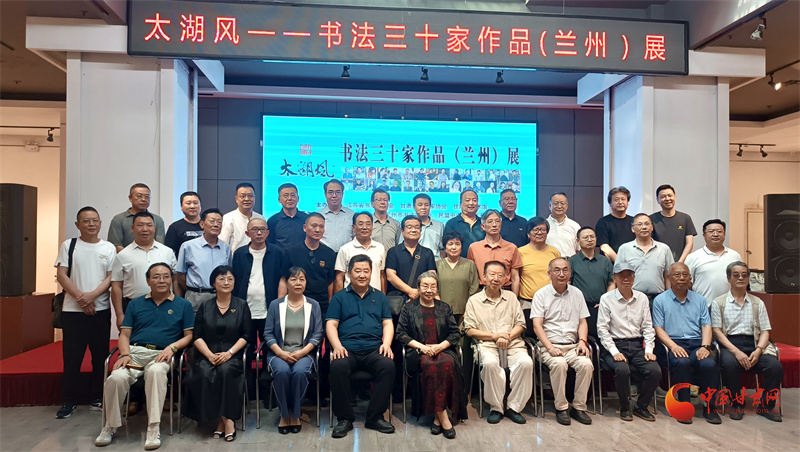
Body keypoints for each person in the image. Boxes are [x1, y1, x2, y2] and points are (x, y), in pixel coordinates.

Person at [95, 263, 193, 449]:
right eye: (156, 277)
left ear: (171, 280)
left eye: (166, 276)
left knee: (156, 372)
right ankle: (110, 426)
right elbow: (124, 334)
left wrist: (172, 348)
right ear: (148, 281)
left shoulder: (183, 305)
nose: (161, 280)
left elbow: (189, 336)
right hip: (135, 352)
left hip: (162, 354)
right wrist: (125, 354)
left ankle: (153, 427)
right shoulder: (135, 304)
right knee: (116, 378)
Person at [55, 206, 116, 419]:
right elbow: (62, 275)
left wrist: (92, 297)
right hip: (73, 311)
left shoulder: (108, 247)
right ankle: (69, 400)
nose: (91, 224)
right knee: (72, 357)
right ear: (77, 224)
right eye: (86, 221)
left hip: (100, 310)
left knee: (100, 356)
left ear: (100, 223)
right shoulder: (69, 245)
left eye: (94, 220)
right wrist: (81, 298)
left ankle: (97, 397)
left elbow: (111, 277)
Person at [327, 255, 396, 438]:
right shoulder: (339, 297)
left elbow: (387, 323)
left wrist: (387, 344)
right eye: (357, 271)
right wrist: (337, 346)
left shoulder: (380, 297)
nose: (362, 275)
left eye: (366, 271)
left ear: (371, 273)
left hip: (374, 349)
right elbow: (331, 324)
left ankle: (375, 417)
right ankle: (344, 418)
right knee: (337, 366)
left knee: (388, 365)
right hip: (347, 349)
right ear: (349, 273)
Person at [184, 265, 251, 441]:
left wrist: (229, 353)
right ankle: (224, 420)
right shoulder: (205, 306)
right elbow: (197, 336)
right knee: (204, 372)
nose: (226, 282)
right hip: (208, 353)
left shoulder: (242, 305)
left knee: (226, 371)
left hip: (232, 353)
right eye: (221, 279)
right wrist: (209, 355)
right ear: (213, 283)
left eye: (230, 279)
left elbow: (246, 335)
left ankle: (227, 421)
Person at [396, 271, 466, 439]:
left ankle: (437, 417)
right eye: (425, 286)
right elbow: (401, 334)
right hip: (418, 351)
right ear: (418, 288)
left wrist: (440, 346)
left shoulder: (444, 307)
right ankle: (444, 418)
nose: (429, 290)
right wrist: (423, 348)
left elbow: (455, 333)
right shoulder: (408, 308)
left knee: (447, 363)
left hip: (443, 350)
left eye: (433, 286)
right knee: (430, 365)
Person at [711, 262, 783, 422]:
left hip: (754, 344)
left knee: (775, 367)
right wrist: (736, 352)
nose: (741, 278)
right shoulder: (719, 303)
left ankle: (766, 406)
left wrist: (758, 350)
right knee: (729, 365)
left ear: (748, 278)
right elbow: (717, 332)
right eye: (736, 275)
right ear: (728, 278)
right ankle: (736, 404)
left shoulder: (758, 302)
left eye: (744, 275)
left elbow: (765, 331)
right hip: (730, 345)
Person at [463, 261, 532, 425]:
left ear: (506, 278)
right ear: (484, 277)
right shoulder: (474, 300)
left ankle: (514, 407)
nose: (496, 278)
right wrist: (495, 336)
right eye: (492, 274)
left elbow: (521, 324)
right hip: (487, 345)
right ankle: (496, 407)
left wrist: (506, 337)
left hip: (513, 344)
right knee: (490, 364)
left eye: (500, 275)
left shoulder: (512, 298)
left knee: (526, 363)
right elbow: (469, 330)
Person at [653, 262, 721, 425]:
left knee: (709, 364)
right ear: (669, 278)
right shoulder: (660, 300)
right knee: (682, 362)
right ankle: (684, 405)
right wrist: (673, 346)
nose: (682, 278)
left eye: (685, 275)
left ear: (691, 278)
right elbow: (658, 328)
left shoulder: (700, 300)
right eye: (677, 275)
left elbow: (706, 325)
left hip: (697, 343)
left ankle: (710, 407)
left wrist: (705, 346)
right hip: (672, 344)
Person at [531, 257, 594, 426]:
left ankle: (579, 407)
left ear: (570, 273)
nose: (561, 274)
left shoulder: (577, 293)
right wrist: (550, 347)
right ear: (549, 274)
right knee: (559, 364)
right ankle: (561, 407)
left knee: (586, 364)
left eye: (565, 270)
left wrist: (582, 341)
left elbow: (582, 322)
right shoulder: (540, 295)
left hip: (572, 346)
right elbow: (537, 326)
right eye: (557, 270)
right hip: (548, 346)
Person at [596, 262, 660, 422]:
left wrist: (649, 351)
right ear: (614, 278)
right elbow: (602, 330)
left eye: (629, 275)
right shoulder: (606, 299)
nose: (626, 279)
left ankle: (641, 407)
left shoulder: (642, 298)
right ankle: (625, 408)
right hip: (614, 345)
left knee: (654, 370)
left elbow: (648, 327)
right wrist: (615, 352)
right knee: (622, 370)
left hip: (637, 346)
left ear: (634, 278)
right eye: (621, 276)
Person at [264, 267, 324, 433]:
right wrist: (280, 353)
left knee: (299, 372)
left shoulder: (313, 305)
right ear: (286, 282)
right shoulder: (276, 305)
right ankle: (284, 415)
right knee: (282, 372)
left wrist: (302, 352)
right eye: (294, 279)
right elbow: (268, 333)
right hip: (279, 352)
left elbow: (318, 334)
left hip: (304, 353)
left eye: (302, 279)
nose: (298, 283)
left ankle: (296, 414)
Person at [111, 211, 178, 329]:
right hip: (133, 306)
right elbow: (116, 287)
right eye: (140, 225)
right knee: (134, 339)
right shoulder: (122, 255)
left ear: (154, 228)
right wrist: (119, 315)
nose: (145, 229)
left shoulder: (167, 252)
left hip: (166, 305)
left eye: (149, 225)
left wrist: (178, 304)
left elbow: (175, 280)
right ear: (132, 228)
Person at [231, 218, 288, 350]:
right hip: (245, 307)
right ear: (247, 233)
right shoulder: (239, 254)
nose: (259, 233)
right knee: (247, 346)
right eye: (255, 229)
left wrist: (279, 303)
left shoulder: (277, 252)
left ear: (268, 233)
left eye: (263, 229)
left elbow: (283, 279)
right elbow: (236, 280)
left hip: (269, 307)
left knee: (270, 345)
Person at [176, 208, 232, 312]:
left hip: (220, 296)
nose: (216, 225)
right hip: (196, 297)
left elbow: (228, 274)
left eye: (219, 222)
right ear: (202, 224)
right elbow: (180, 275)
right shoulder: (188, 246)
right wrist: (194, 290)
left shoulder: (226, 248)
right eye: (212, 221)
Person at [567, 226, 615, 339]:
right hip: (579, 309)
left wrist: (605, 302)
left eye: (592, 237)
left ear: (596, 239)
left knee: (602, 338)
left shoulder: (605, 261)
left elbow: (612, 283)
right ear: (578, 241)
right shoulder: (571, 261)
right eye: (585, 237)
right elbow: (568, 284)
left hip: (601, 307)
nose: (589, 240)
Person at [615, 213, 674, 301]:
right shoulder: (624, 249)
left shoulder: (664, 248)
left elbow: (668, 275)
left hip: (658, 298)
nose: (644, 227)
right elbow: (618, 275)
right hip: (632, 298)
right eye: (639, 224)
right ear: (632, 229)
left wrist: (669, 298)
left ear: (652, 227)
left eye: (647, 224)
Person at [518, 217, 561, 333]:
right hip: (527, 302)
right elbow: (516, 277)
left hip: (552, 301)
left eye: (543, 230)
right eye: (535, 230)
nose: (539, 233)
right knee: (528, 334)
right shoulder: (520, 252)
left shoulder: (554, 252)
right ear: (528, 234)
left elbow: (560, 276)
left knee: (551, 333)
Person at [685, 219, 742, 306]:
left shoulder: (735, 256)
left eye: (719, 231)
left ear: (724, 235)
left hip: (730, 307)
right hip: (703, 307)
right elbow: (686, 282)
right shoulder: (693, 257)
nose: (715, 234)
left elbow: (741, 280)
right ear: (704, 235)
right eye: (711, 231)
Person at [468, 209, 522, 295]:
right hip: (481, 292)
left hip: (505, 292)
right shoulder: (474, 248)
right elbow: (471, 276)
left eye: (497, 221)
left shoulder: (512, 248)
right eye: (490, 222)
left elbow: (515, 277)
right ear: (483, 226)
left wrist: (514, 299)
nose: (494, 225)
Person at [386, 216, 437, 301]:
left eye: (417, 227)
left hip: (422, 299)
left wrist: (419, 293)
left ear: (420, 231)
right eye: (409, 227)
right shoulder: (393, 252)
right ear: (402, 231)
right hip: (398, 300)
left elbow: (432, 276)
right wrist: (410, 291)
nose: (413, 230)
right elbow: (390, 276)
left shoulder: (428, 252)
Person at [334, 211, 386, 293]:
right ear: (353, 227)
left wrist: (382, 297)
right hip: (350, 296)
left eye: (368, 224)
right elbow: (339, 278)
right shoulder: (345, 249)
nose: (364, 227)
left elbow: (382, 275)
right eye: (361, 224)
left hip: (374, 296)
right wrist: (340, 299)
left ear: (372, 227)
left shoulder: (380, 248)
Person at [435, 231, 480, 324]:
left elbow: (474, 288)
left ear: (461, 247)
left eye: (457, 244)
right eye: (450, 244)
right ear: (445, 248)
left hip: (464, 312)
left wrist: (469, 309)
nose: (454, 247)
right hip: (440, 312)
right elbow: (434, 288)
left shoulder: (470, 264)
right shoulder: (437, 265)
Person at [107, 183, 166, 252]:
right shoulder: (119, 219)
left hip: (152, 257)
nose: (143, 199)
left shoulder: (157, 220)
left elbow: (160, 244)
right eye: (139, 196)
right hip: (126, 258)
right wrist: (134, 257)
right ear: (130, 198)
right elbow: (115, 245)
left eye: (147, 197)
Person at [650, 184, 697, 263]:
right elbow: (649, 244)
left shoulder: (685, 218)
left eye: (670, 195)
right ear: (657, 200)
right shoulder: (651, 219)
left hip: (681, 263)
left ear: (675, 197)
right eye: (663, 196)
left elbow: (689, 244)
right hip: (658, 263)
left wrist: (680, 263)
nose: (667, 199)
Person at [220, 182, 265, 254]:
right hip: (236, 259)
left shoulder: (260, 218)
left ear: (254, 198)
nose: (247, 199)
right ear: (236, 199)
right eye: (242, 196)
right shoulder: (228, 218)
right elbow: (223, 245)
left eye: (250, 196)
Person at [595, 186, 635, 263]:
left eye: (623, 199)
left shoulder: (634, 221)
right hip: (611, 264)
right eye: (616, 200)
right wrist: (621, 263)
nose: (620, 202)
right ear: (610, 203)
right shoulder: (603, 222)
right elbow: (604, 247)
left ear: (627, 202)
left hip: (633, 263)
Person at [443, 190, 485, 257]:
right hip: (458, 262)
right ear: (461, 204)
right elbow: (446, 247)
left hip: (480, 261)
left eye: (474, 200)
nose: (471, 203)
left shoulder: (484, 223)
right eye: (467, 200)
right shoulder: (452, 223)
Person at [267, 183, 308, 251]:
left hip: (303, 257)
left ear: (298, 198)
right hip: (280, 257)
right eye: (286, 195)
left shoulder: (306, 218)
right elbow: (270, 244)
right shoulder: (273, 221)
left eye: (293, 195)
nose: (289, 198)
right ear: (279, 199)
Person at [319, 179, 355, 252]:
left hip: (347, 255)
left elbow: (355, 237)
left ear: (342, 194)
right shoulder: (318, 216)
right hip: (323, 255)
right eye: (330, 192)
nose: (334, 196)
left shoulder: (352, 215)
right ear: (325, 194)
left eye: (338, 192)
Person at [164, 191, 203, 257]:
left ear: (200, 206)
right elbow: (169, 253)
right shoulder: (175, 227)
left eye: (195, 203)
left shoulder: (207, 225)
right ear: (181, 207)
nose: (192, 206)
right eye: (188, 203)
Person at [546, 192, 581, 257]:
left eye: (562, 203)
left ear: (566, 206)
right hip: (548, 261)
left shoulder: (575, 226)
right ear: (550, 206)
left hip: (569, 261)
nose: (559, 206)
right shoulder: (544, 225)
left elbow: (579, 249)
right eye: (556, 203)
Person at [413, 194, 444, 258]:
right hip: (414, 261)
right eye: (420, 205)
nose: (423, 207)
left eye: (426, 205)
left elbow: (442, 249)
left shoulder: (439, 226)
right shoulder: (408, 226)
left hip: (435, 261)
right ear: (414, 207)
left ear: (430, 207)